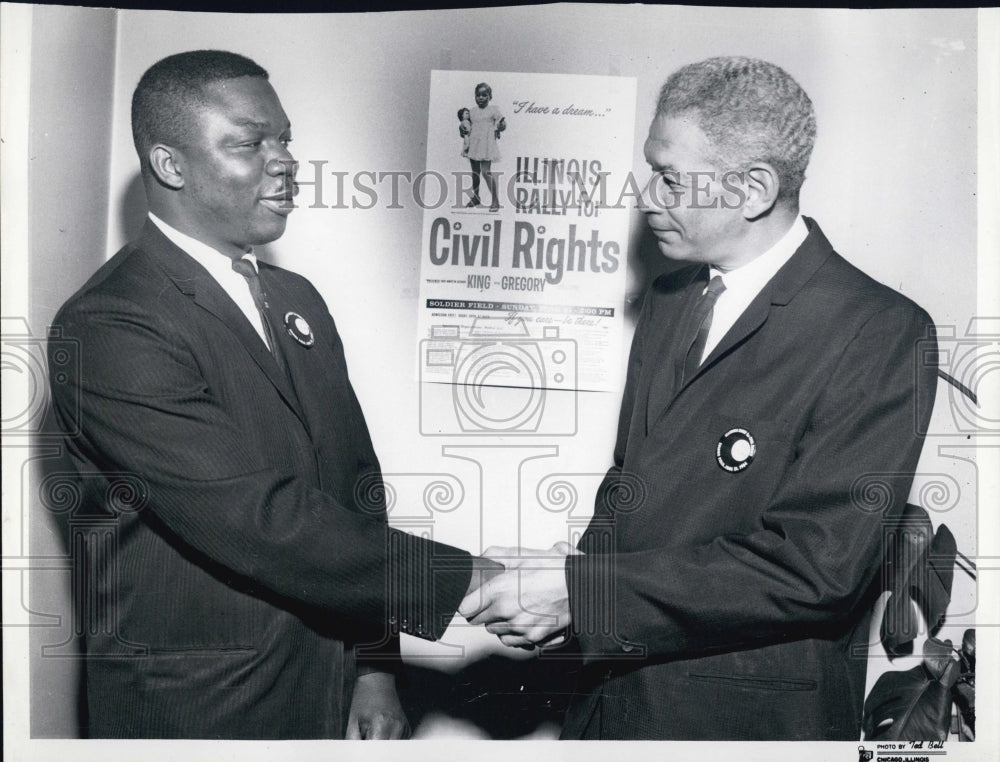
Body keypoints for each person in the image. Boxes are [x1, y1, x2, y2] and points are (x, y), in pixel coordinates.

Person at [461, 56, 938, 740]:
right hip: (610, 704)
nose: (646, 197)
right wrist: (566, 603)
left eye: (670, 178)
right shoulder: (672, 300)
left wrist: (585, 596)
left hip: (742, 723)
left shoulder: (879, 330)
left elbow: (815, 568)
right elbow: (629, 484)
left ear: (753, 189)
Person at [48, 50, 499, 740]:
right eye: (250, 142)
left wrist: (373, 669)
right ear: (171, 166)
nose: (284, 160)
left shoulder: (297, 300)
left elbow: (354, 487)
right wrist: (467, 579)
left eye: (285, 138)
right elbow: (254, 519)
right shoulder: (112, 322)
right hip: (197, 710)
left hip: (320, 691)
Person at [462, 82, 505, 211]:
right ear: (475, 96)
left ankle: (495, 201)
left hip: (486, 145)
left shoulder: (493, 110)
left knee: (486, 172)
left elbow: (502, 123)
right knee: (475, 172)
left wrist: (501, 127)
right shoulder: (472, 111)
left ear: (490, 97)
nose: (480, 98)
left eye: (484, 95)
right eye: (478, 95)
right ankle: (476, 197)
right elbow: (466, 125)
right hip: (474, 144)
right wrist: (462, 130)